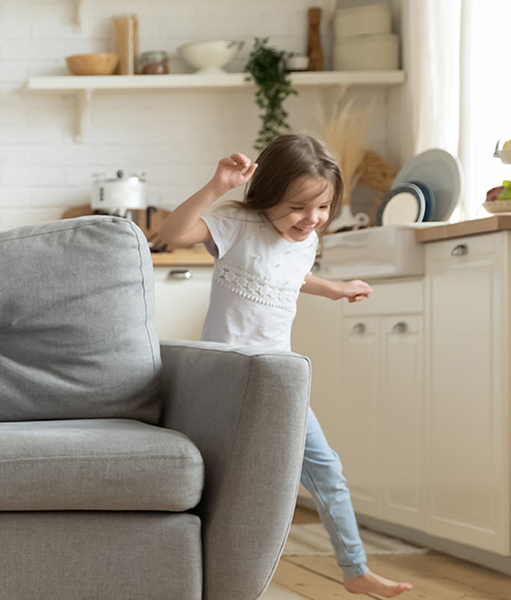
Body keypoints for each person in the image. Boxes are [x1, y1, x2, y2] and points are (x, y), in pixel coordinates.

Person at [155, 134, 411, 598]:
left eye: (322, 209)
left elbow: (288, 275)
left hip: (280, 381)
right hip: (226, 379)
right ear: (268, 194)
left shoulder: (306, 240)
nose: (310, 220)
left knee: (327, 472)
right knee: (221, 482)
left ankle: (354, 569)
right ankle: (198, 573)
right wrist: (217, 185)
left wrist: (331, 287)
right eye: (297, 207)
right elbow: (172, 235)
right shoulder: (235, 224)